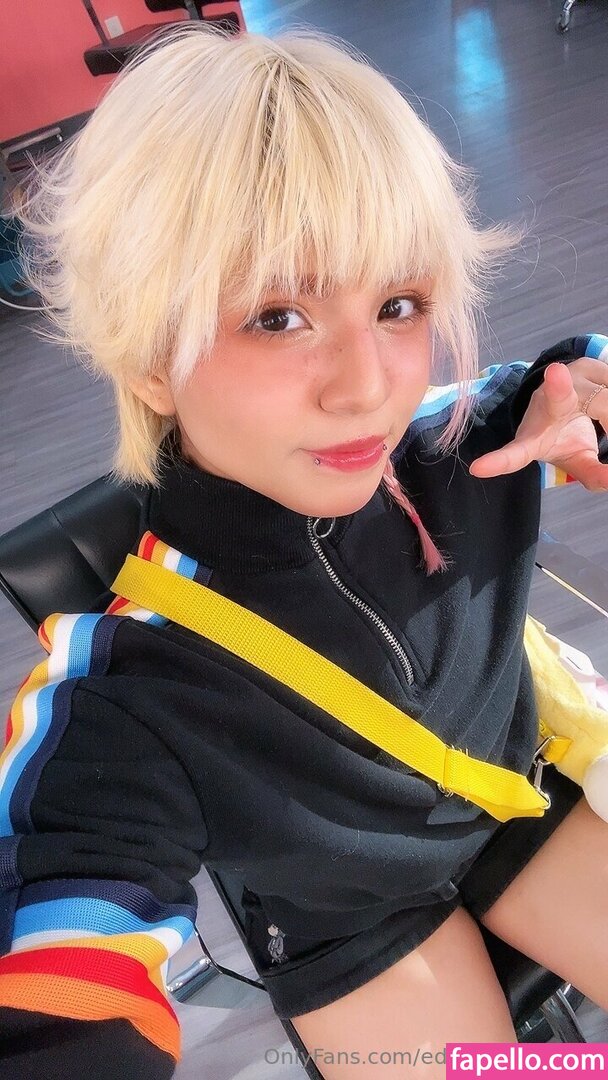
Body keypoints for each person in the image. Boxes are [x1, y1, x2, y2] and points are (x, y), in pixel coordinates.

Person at [1, 23, 608, 1080]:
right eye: (278, 316)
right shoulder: (125, 690)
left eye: (397, 304)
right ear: (148, 355)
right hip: (350, 920)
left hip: (513, 803)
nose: (366, 386)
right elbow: (63, 955)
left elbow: (564, 383)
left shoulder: (461, 448)